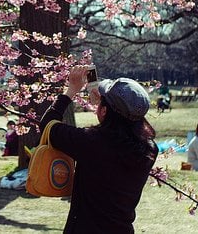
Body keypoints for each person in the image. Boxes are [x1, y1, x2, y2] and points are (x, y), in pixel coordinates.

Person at [39, 66, 157, 233]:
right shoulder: (149, 149)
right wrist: (104, 106)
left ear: (104, 110)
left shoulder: (92, 142)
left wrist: (71, 90)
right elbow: (118, 135)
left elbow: (47, 125)